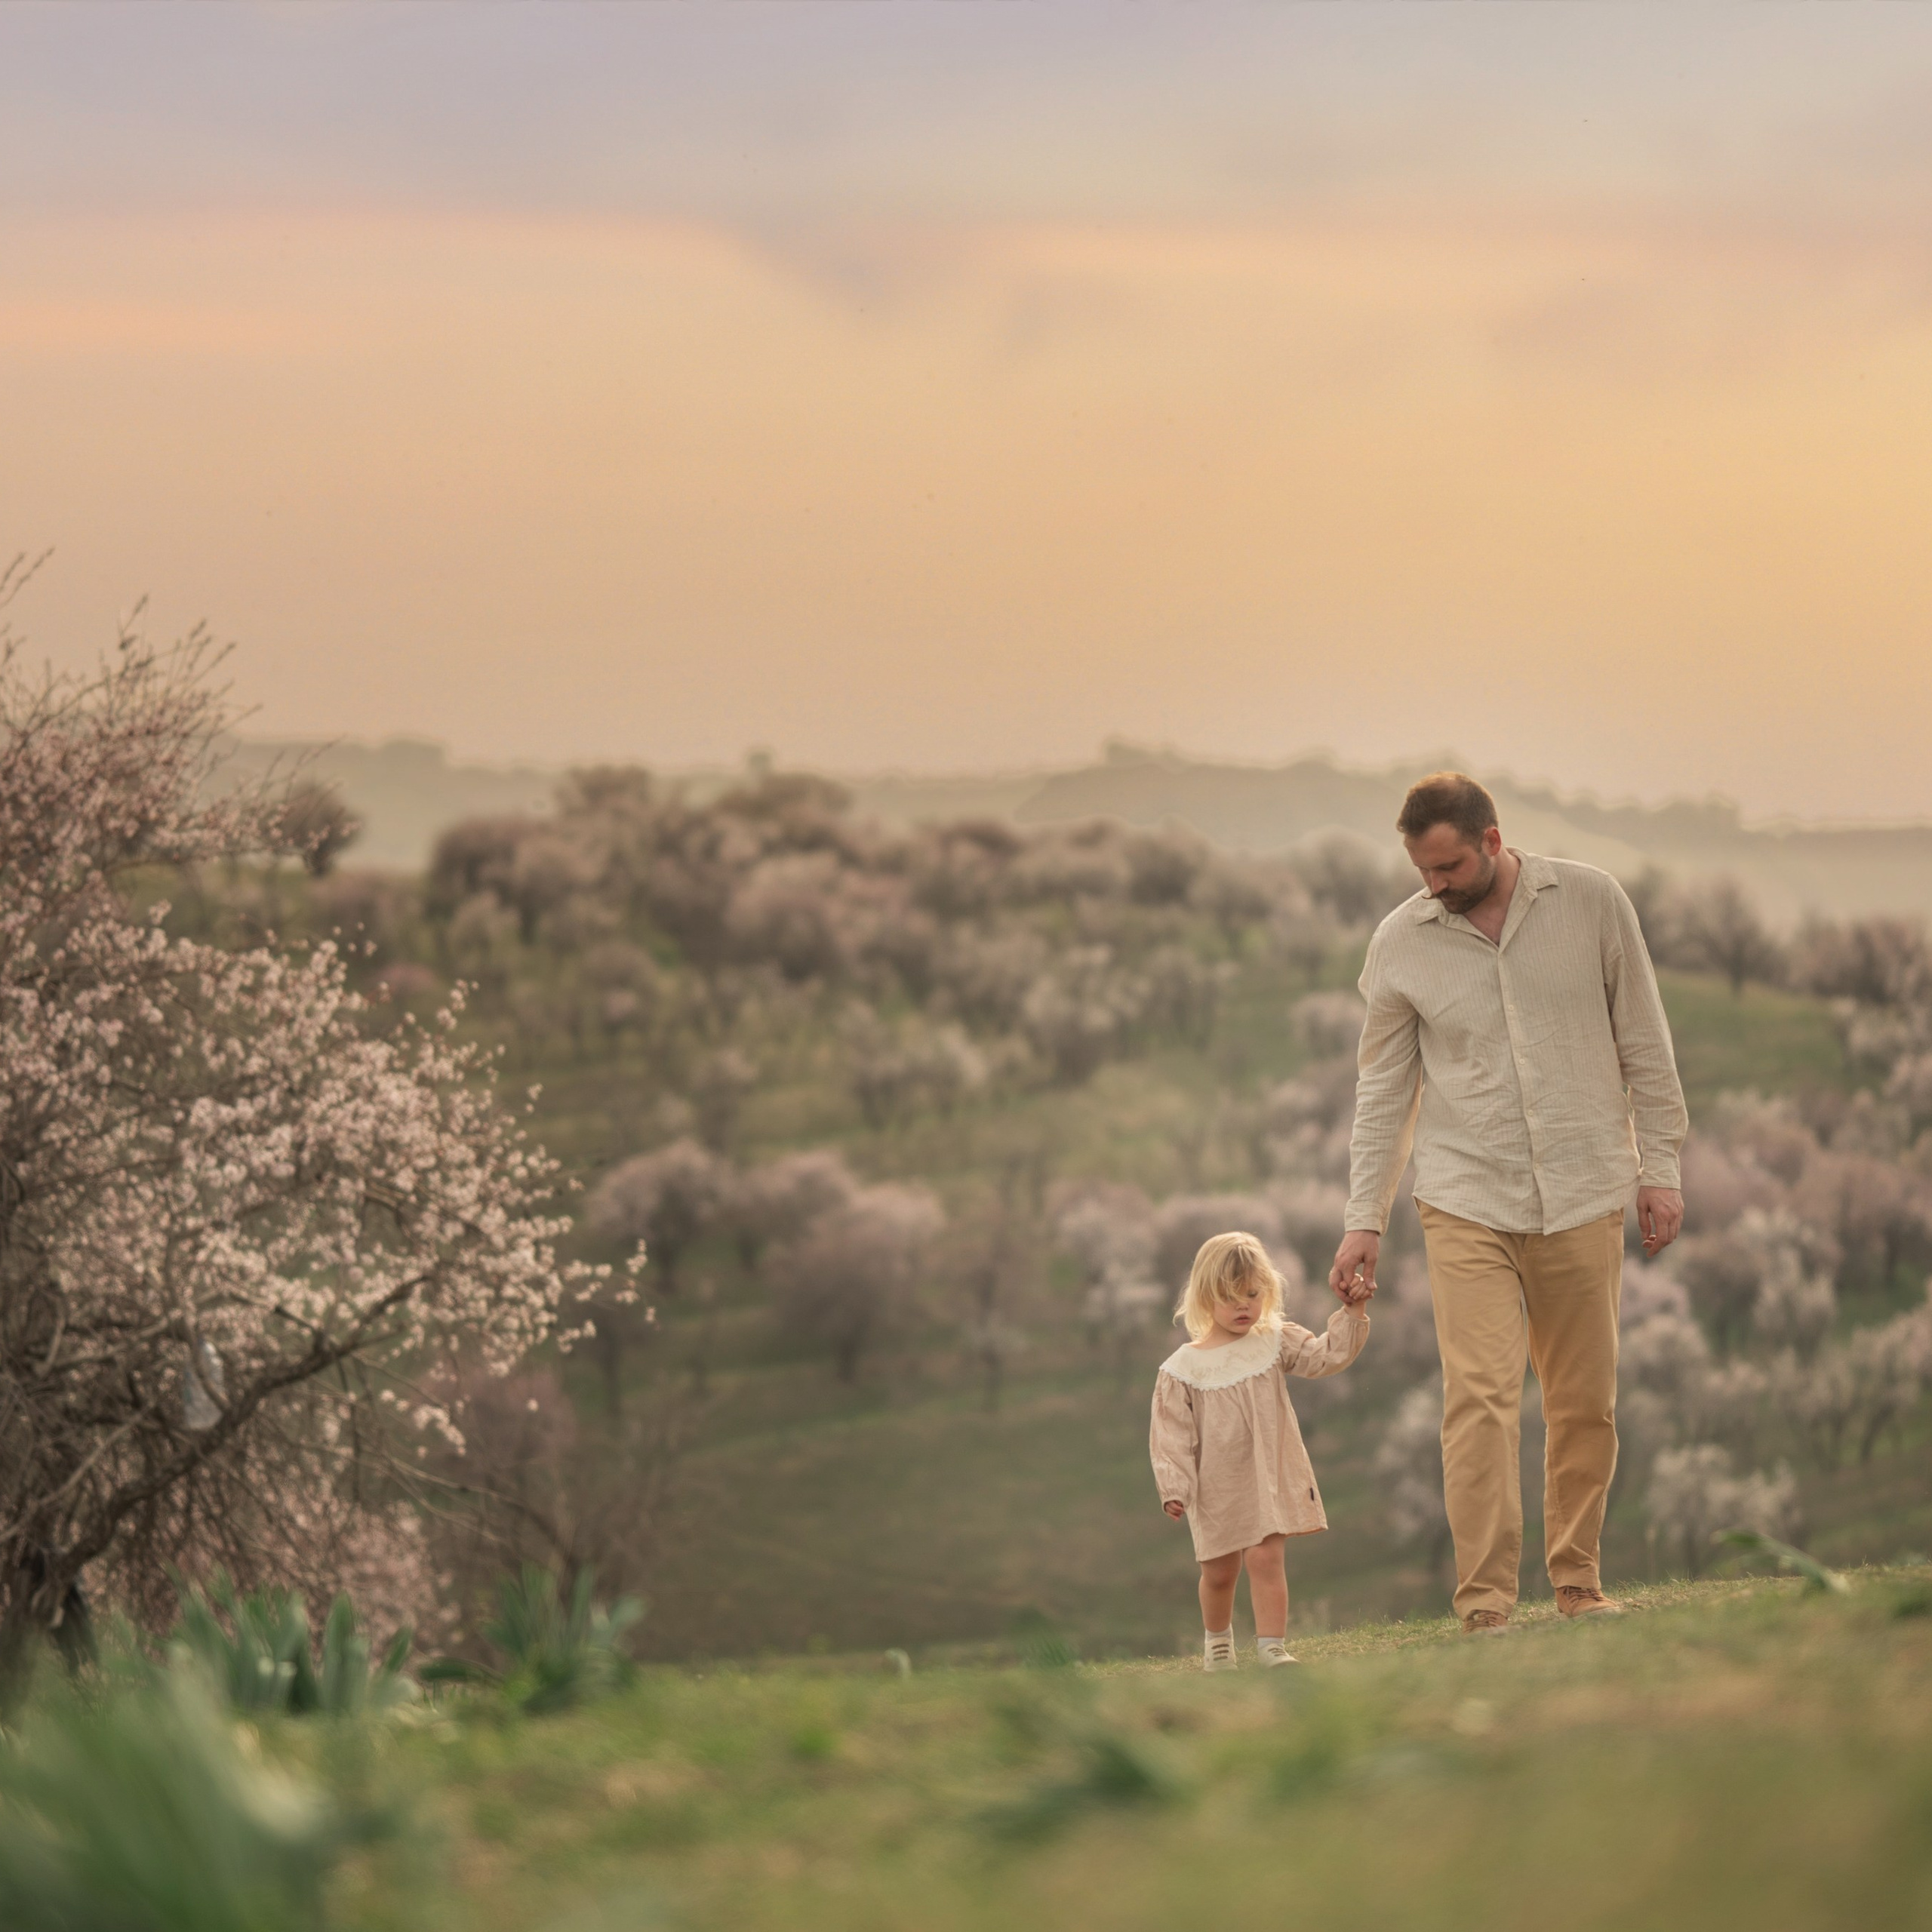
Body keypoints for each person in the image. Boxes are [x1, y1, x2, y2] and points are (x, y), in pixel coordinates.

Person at [1329, 772, 1687, 1633]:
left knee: (1582, 1400)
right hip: (1464, 1199)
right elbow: (1383, 1091)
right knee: (1479, 1398)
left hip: (1583, 1187)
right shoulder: (1402, 941)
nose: (1435, 886)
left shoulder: (1592, 902)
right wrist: (1363, 1219)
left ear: (1492, 841)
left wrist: (1661, 1163)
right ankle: (1486, 1604)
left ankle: (1577, 1582)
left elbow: (1643, 1034)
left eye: (1448, 866)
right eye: (1422, 871)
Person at [1150, 1231, 1371, 1670]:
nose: (1244, 1306)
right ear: (1204, 1298)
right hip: (1216, 1486)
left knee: (1267, 1559)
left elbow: (1325, 1356)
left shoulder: (1273, 1342)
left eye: (1253, 1294)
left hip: (1268, 1476)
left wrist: (1353, 1311)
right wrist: (1174, 1487)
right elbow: (1170, 1434)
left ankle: (1272, 1647)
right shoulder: (1182, 1369)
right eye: (1231, 1297)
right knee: (1219, 1572)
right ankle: (1218, 1644)